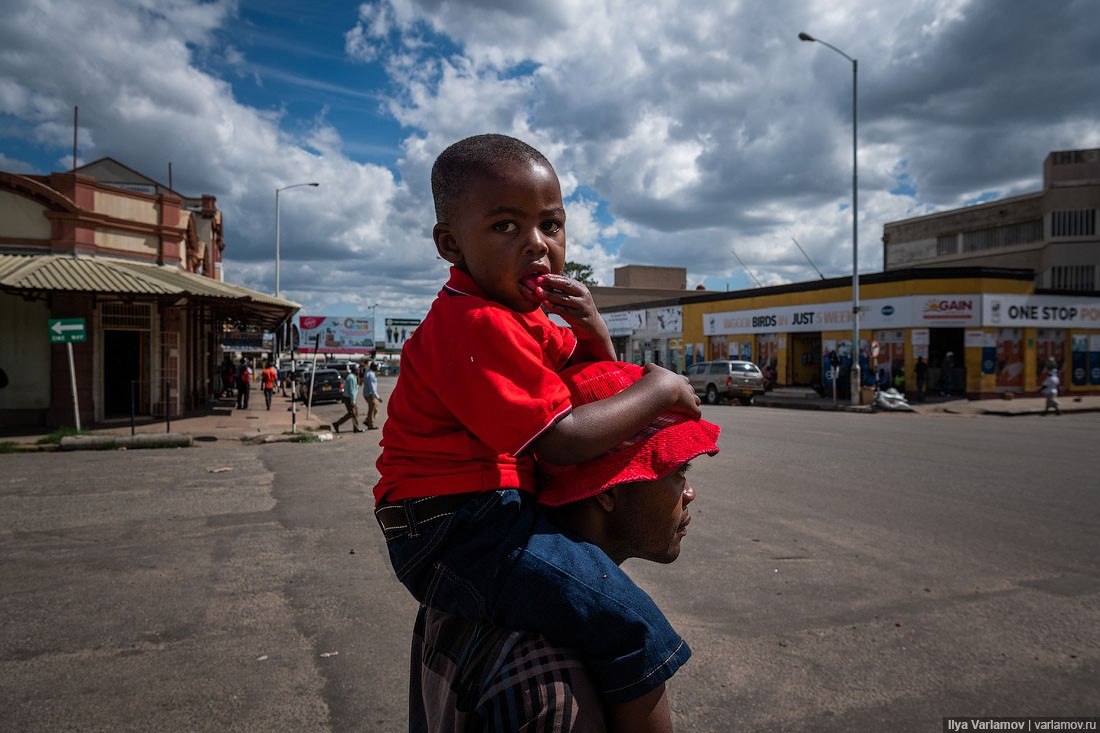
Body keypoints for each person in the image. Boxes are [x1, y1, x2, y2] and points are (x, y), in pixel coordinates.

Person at [373, 134, 702, 731]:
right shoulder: (473, 323)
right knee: (627, 622)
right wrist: (660, 388)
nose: (538, 246)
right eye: (505, 226)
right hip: (452, 526)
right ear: (451, 244)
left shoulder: (522, 318)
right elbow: (564, 436)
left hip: (481, 512)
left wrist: (595, 330)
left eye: (551, 225)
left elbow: (588, 380)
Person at [409, 360, 720, 732]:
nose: (690, 493)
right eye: (677, 472)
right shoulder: (555, 691)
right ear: (612, 491)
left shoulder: (456, 593)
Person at [332, 363, 363, 433]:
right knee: (353, 413)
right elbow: (352, 390)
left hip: (349, 397)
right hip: (349, 398)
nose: (359, 371)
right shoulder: (351, 378)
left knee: (353, 413)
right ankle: (355, 428)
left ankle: (338, 424)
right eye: (358, 369)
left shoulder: (353, 377)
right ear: (354, 370)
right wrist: (353, 401)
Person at [361, 361, 382, 430]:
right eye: (376, 366)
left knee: (375, 408)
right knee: (372, 408)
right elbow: (372, 387)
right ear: (373, 367)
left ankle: (367, 421)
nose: (377, 368)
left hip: (369, 393)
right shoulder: (370, 374)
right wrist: (378, 397)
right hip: (370, 394)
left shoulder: (369, 372)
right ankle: (371, 424)